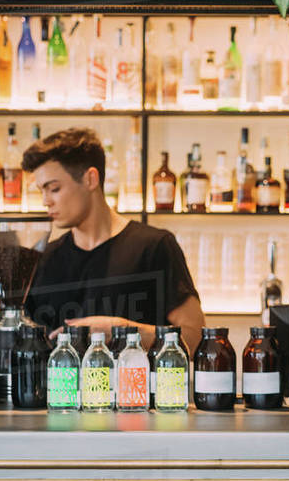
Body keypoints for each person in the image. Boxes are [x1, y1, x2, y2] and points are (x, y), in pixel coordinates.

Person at [23, 128, 204, 351]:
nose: (45, 201)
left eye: (54, 189)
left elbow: (195, 339)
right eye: (42, 191)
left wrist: (121, 330)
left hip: (137, 385)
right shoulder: (42, 259)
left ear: (90, 179)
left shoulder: (154, 247)